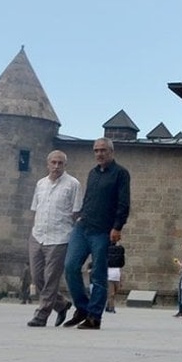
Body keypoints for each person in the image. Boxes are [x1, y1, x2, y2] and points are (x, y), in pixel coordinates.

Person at [62, 137, 132, 330]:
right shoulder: (93, 173)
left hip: (103, 231)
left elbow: (123, 203)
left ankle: (94, 317)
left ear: (111, 152)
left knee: (98, 275)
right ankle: (83, 308)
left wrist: (117, 227)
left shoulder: (120, 174)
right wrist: (80, 216)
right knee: (70, 266)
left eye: (103, 150)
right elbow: (89, 198)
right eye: (96, 150)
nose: (99, 154)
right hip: (83, 227)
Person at [105, 238, 125, 313]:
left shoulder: (118, 262)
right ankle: (111, 308)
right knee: (111, 294)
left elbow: (120, 269)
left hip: (116, 276)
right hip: (109, 277)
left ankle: (108, 305)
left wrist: (121, 279)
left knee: (115, 292)